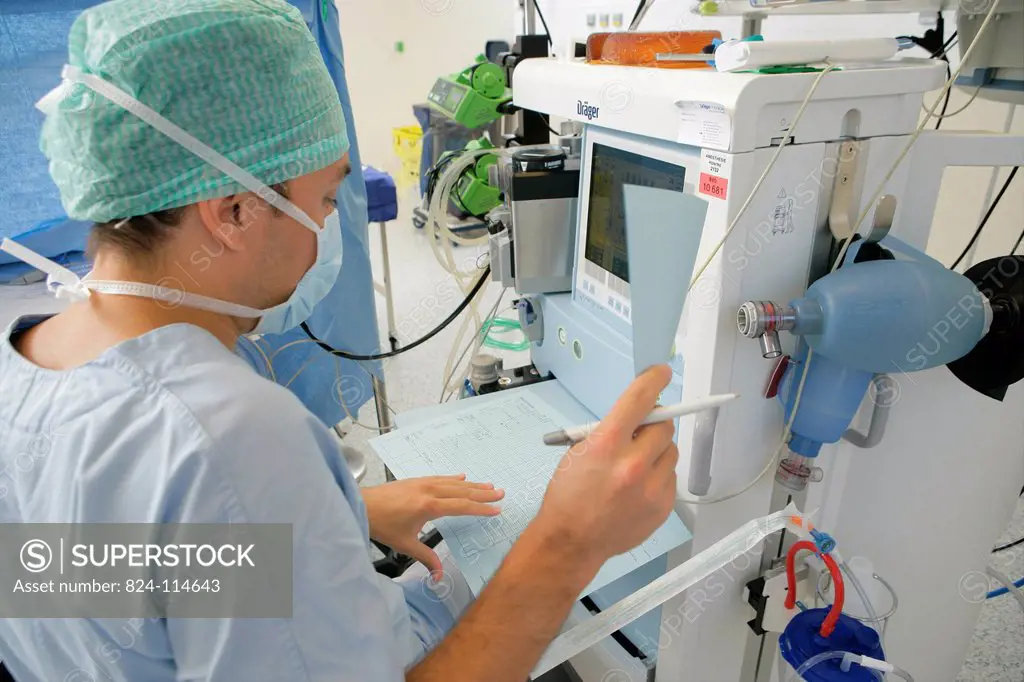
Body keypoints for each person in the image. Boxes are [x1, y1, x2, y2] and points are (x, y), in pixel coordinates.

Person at [0, 1, 679, 681]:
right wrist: (568, 543)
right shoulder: (232, 437)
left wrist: (329, 523)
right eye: (326, 200)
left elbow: (86, 590)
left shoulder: (25, 363)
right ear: (233, 212)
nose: (327, 230)